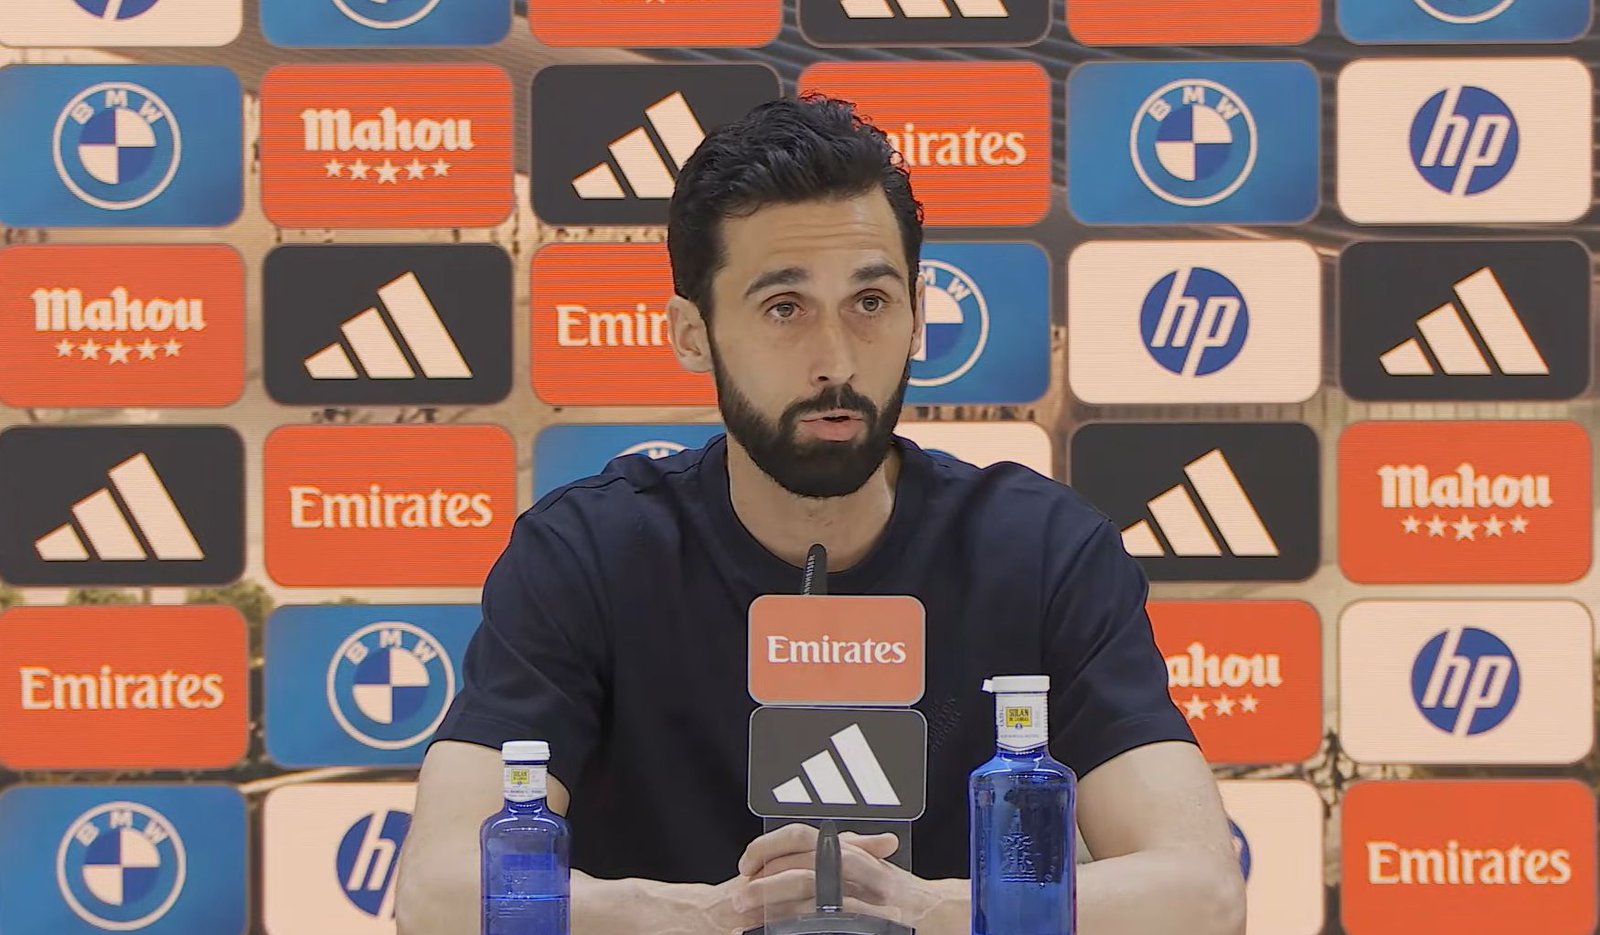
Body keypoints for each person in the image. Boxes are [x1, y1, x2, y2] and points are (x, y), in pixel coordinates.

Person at [395, 92, 1245, 935]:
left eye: (870, 302)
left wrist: (925, 910)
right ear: (692, 333)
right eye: (784, 308)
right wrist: (706, 914)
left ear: (917, 316)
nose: (835, 360)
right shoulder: (585, 553)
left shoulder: (1043, 550)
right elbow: (437, 895)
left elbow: (1203, 895)